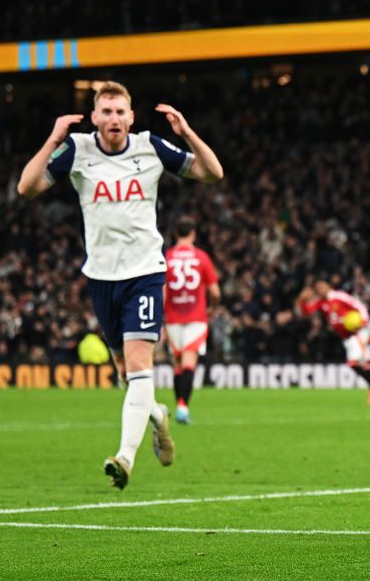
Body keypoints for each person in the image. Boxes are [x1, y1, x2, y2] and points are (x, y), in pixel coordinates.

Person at [16, 81, 224, 489]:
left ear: (131, 117)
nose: (114, 119)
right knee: (127, 377)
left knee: (140, 367)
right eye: (106, 112)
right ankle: (159, 416)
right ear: (95, 118)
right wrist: (53, 139)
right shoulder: (77, 150)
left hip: (145, 273)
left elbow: (212, 173)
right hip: (101, 278)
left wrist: (187, 134)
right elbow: (27, 187)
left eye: (120, 112)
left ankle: (125, 458)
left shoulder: (151, 147)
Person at [297, 280, 370, 408]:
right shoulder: (322, 303)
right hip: (347, 337)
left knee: (355, 362)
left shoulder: (338, 297)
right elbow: (306, 314)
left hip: (358, 332)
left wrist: (364, 320)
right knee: (358, 365)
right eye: (318, 288)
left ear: (329, 286)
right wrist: (302, 300)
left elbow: (358, 305)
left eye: (323, 286)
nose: (321, 290)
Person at [163, 215, 220, 425]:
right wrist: (212, 308)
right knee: (189, 363)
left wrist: (162, 317)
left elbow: (163, 292)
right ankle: (182, 408)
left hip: (173, 318)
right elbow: (215, 291)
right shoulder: (202, 257)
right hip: (196, 316)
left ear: (176, 234)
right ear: (193, 233)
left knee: (177, 364)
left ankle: (180, 403)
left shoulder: (167, 257)